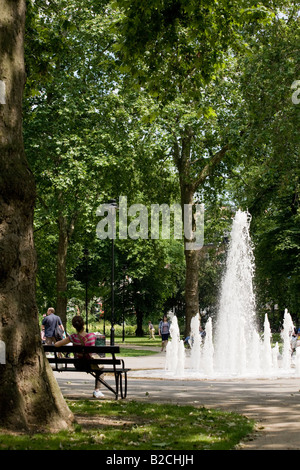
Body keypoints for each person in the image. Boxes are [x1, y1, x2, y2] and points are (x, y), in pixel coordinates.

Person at [54, 315, 105, 399]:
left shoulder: (73, 337)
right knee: (100, 371)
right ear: (83, 324)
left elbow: (57, 344)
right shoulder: (92, 336)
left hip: (79, 364)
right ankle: (97, 391)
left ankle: (97, 391)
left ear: (74, 326)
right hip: (90, 364)